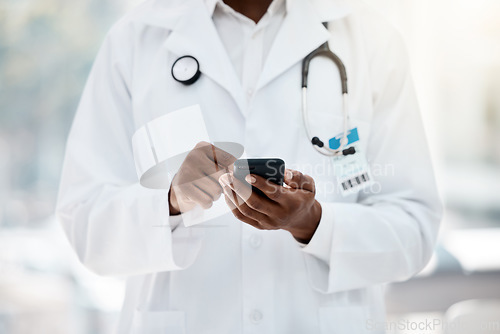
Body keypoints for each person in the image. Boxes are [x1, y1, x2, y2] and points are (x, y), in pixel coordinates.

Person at [56, 0, 443, 332]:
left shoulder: (371, 42)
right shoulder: (135, 41)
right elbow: (86, 221)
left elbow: (415, 227)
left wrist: (314, 224)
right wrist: (172, 201)